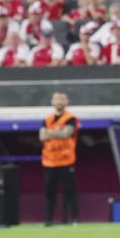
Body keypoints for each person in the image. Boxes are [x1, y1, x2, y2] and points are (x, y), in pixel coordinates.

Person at [39, 91, 80, 226]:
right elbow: (42, 137)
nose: (59, 101)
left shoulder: (71, 118)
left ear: (67, 101)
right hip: (49, 161)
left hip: (66, 160)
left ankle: (74, 219)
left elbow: (66, 134)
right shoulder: (47, 119)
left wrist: (50, 133)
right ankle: (48, 220)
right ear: (52, 101)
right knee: (49, 191)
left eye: (62, 99)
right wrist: (57, 133)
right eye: (56, 98)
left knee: (69, 191)